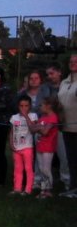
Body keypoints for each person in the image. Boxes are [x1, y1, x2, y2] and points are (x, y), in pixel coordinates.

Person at [38, 63, 70, 190]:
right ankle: (42, 182)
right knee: (43, 156)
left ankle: (66, 180)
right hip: (46, 125)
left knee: (63, 155)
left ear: (59, 72)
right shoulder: (44, 88)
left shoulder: (66, 86)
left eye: (52, 73)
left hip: (62, 126)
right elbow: (40, 104)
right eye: (47, 74)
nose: (49, 76)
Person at [32, 96, 60, 199]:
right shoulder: (43, 117)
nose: (40, 107)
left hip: (48, 147)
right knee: (41, 168)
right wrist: (39, 127)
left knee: (46, 169)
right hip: (40, 146)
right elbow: (33, 129)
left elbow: (45, 132)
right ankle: (43, 190)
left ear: (49, 106)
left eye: (42, 105)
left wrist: (38, 127)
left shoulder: (53, 117)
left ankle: (47, 190)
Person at [9, 96, 38, 196]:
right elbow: (12, 131)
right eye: (21, 106)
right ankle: (17, 188)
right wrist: (11, 143)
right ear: (18, 106)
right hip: (16, 147)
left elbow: (33, 129)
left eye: (26, 106)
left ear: (30, 106)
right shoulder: (14, 117)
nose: (23, 108)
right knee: (18, 168)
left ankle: (28, 189)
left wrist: (26, 117)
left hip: (27, 147)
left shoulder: (33, 116)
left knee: (28, 168)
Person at [58, 53, 77, 197]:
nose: (73, 63)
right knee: (71, 159)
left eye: (76, 61)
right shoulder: (64, 82)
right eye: (71, 61)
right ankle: (73, 187)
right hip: (65, 127)